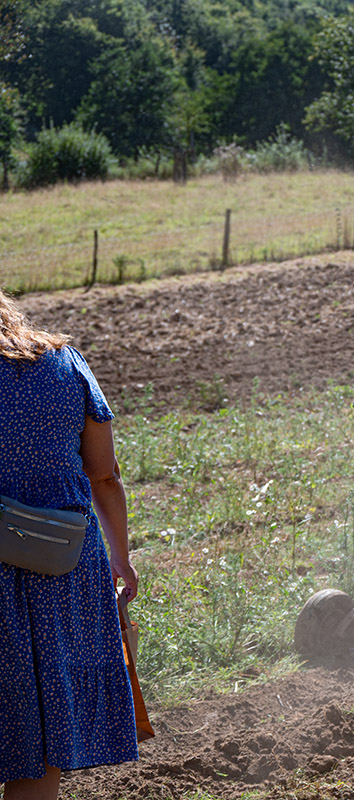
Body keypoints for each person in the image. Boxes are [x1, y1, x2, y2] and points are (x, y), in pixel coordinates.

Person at [0, 291, 139, 800]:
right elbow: (104, 475)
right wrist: (121, 557)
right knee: (39, 747)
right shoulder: (65, 364)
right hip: (59, 565)